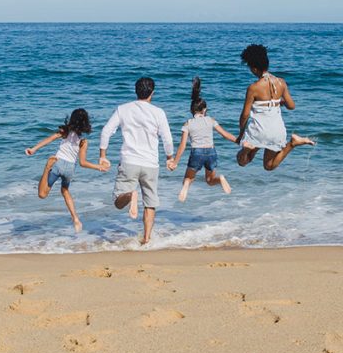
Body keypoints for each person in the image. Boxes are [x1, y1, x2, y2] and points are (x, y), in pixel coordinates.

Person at [99, 77, 176, 245]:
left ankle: (130, 194)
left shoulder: (123, 109)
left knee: (118, 201)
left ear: (135, 91)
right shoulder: (158, 112)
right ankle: (146, 239)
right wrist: (169, 158)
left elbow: (106, 132)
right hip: (150, 164)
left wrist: (103, 155)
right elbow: (167, 139)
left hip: (129, 162)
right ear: (152, 93)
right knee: (150, 203)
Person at [24, 108, 109, 232]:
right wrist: (99, 167)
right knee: (65, 190)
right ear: (86, 123)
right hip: (70, 169)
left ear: (72, 119)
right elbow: (83, 163)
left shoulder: (65, 131)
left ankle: (47, 167)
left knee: (42, 194)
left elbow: (49, 139)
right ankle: (75, 219)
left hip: (58, 163)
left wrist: (34, 149)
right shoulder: (83, 142)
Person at [235, 44, 315, 170]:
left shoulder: (253, 88)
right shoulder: (281, 82)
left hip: (259, 131)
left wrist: (241, 133)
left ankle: (246, 149)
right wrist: (278, 102)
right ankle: (293, 143)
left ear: (254, 69)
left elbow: (245, 115)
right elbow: (291, 106)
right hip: (277, 131)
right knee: (269, 166)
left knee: (243, 161)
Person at [171, 77, 237, 202]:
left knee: (188, 179)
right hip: (211, 152)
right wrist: (239, 141)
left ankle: (186, 185)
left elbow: (182, 146)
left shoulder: (188, 123)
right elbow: (225, 134)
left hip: (197, 153)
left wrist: (175, 162)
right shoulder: (211, 120)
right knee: (210, 181)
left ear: (192, 110)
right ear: (204, 110)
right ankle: (221, 178)